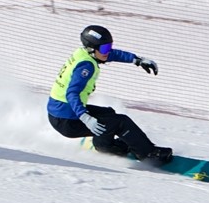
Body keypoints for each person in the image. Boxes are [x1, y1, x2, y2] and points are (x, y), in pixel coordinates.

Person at [48, 24, 172, 164]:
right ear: (92, 49)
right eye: (104, 48)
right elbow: (72, 93)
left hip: (60, 112)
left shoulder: (84, 53)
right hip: (67, 120)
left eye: (109, 46)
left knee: (109, 114)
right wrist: (85, 117)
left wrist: (137, 60)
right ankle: (149, 154)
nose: (108, 51)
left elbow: (112, 54)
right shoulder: (86, 66)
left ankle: (107, 145)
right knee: (121, 122)